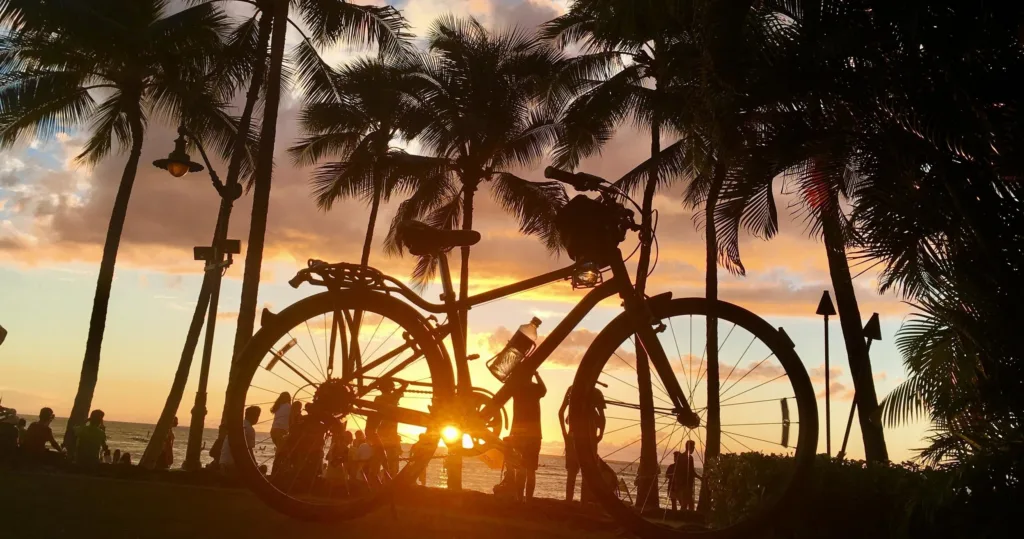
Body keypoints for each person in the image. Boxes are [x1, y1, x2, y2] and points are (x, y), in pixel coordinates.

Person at [559, 385, 607, 503]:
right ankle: (582, 503)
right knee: (586, 473)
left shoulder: (572, 389)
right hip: (588, 438)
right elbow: (602, 418)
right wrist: (600, 434)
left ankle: (569, 501)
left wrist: (564, 432)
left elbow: (561, 412)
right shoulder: (595, 392)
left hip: (575, 436)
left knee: (572, 472)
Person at [508, 372, 546, 501]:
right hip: (534, 434)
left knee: (521, 468)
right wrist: (536, 374)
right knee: (531, 470)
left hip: (519, 432)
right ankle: (528, 500)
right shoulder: (535, 389)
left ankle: (520, 499)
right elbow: (544, 389)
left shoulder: (516, 388)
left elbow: (508, 384)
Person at [220, 406, 260, 474]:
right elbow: (249, 450)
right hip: (234, 462)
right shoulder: (249, 429)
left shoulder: (238, 425)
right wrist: (255, 465)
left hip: (223, 461)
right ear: (253, 416)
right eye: (257, 416)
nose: (257, 418)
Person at [270, 392, 291, 472]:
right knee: (282, 452)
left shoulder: (278, 407)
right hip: (281, 431)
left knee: (281, 450)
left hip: (273, 431)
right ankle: (276, 470)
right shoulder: (289, 407)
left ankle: (278, 469)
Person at [681, 440, 701, 511]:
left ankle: (683, 516)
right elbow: (692, 472)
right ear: (690, 447)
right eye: (693, 447)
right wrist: (700, 478)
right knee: (688, 503)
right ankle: (686, 517)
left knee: (685, 502)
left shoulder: (681, 456)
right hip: (686, 483)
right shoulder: (689, 458)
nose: (694, 449)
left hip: (683, 483)